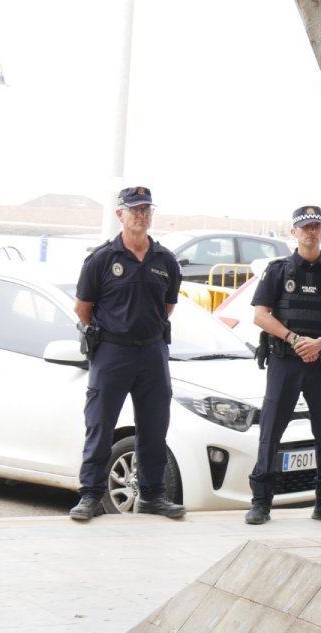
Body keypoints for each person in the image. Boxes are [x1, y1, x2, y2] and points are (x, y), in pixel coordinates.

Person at [70, 187, 186, 520]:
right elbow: (83, 308)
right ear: (120, 214)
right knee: (100, 426)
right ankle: (90, 496)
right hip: (112, 353)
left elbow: (168, 306)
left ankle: (151, 495)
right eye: (134, 209)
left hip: (152, 353)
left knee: (154, 427)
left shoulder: (165, 260)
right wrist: (114, 331)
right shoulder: (102, 259)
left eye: (146, 209)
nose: (141, 215)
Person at [246, 206, 321, 525]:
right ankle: (261, 503)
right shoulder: (278, 270)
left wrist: (320, 343)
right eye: (305, 226)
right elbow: (260, 315)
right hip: (286, 361)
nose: (311, 231)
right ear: (293, 232)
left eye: (316, 226)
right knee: (271, 431)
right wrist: (295, 340)